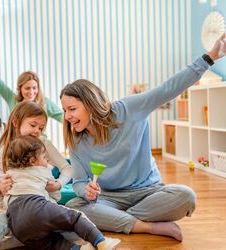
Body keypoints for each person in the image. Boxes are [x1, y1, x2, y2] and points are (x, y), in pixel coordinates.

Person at [60, 34, 226, 241]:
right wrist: (86, 191)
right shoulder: (76, 140)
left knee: (186, 196)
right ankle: (148, 226)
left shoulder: (128, 109)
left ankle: (121, 221)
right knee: (75, 206)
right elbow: (78, 182)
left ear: (90, 103)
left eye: (72, 109)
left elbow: (168, 89)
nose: (67, 117)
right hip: (110, 198)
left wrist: (210, 57)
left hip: (148, 192)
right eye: (65, 111)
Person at [0, 135, 120, 250]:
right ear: (33, 161)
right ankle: (100, 241)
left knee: (48, 244)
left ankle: (78, 249)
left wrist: (5, 201)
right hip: (38, 207)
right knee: (75, 217)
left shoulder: (7, 175)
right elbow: (56, 197)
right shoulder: (45, 172)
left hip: (16, 221)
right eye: (45, 158)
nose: (47, 162)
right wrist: (52, 188)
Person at [0, 101, 72, 249]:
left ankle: (20, 240)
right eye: (33, 125)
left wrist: (58, 184)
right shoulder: (3, 151)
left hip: (42, 207)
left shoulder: (43, 145)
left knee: (69, 225)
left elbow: (67, 168)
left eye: (41, 127)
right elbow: (2, 189)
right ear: (15, 122)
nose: (37, 131)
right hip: (17, 210)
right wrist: (2, 188)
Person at [0, 42, 63, 122]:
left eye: (34, 88)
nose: (31, 92)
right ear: (20, 88)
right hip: (18, 142)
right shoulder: (12, 99)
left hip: (39, 142)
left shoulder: (44, 102)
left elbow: (62, 117)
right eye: (27, 88)